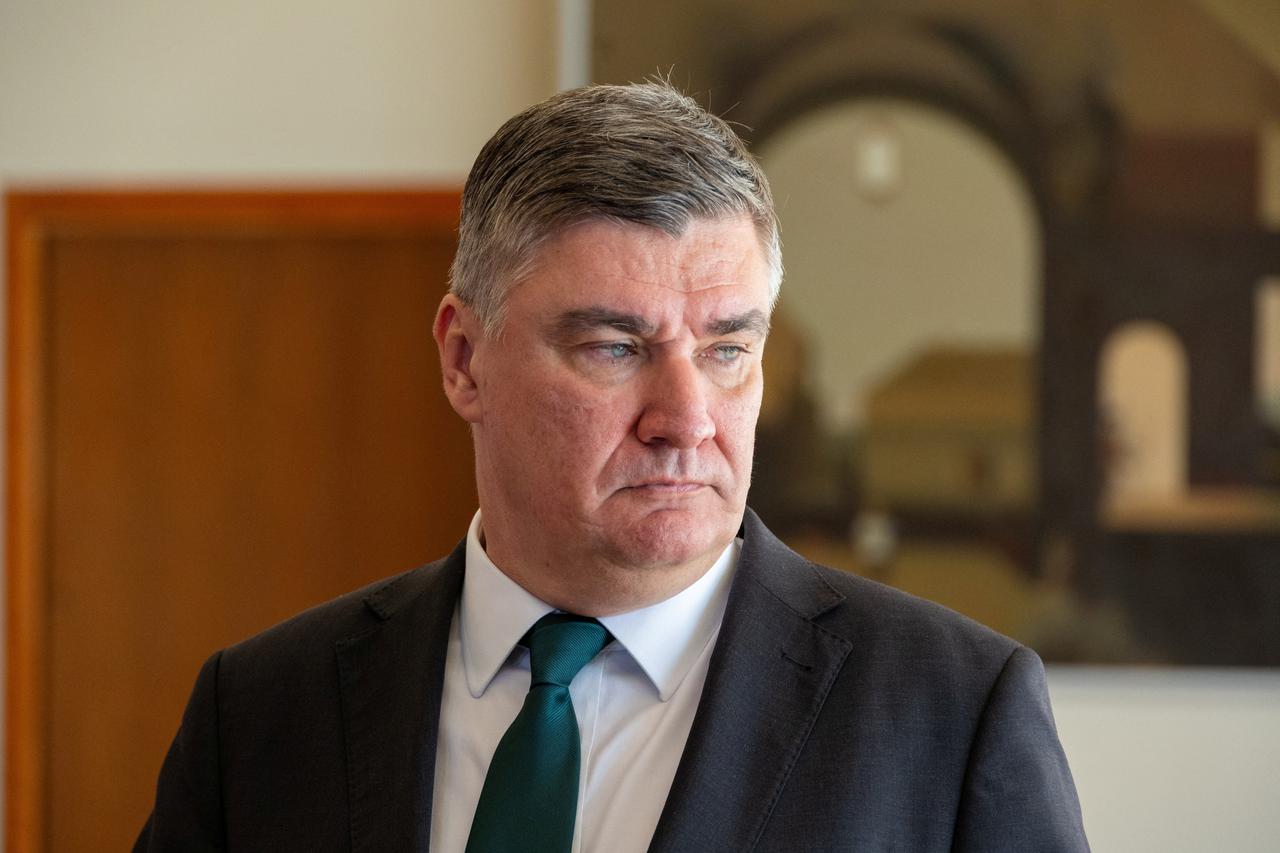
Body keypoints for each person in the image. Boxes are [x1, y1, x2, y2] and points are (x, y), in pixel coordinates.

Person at [136, 82, 1089, 852]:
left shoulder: (953, 711)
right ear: (465, 360)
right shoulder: (261, 712)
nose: (686, 420)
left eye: (727, 350)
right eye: (614, 347)